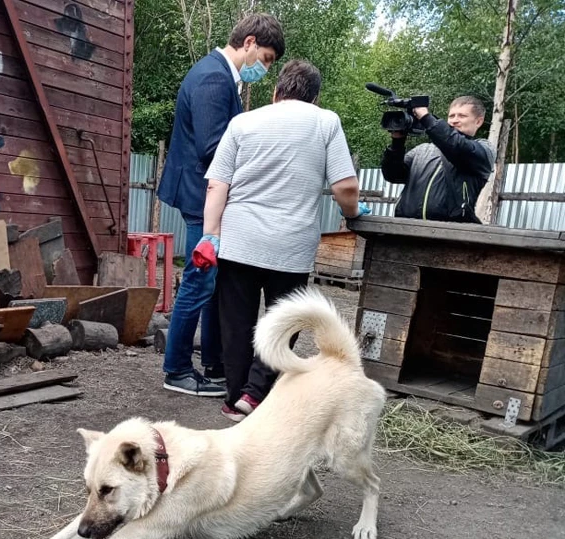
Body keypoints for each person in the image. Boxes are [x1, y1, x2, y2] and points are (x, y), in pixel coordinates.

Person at [195, 59, 364, 421]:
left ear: (276, 92)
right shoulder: (325, 122)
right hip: (291, 245)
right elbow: (345, 185)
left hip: (239, 241)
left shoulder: (242, 122)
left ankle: (235, 396)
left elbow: (216, 185)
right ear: (315, 98)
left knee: (236, 322)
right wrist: (352, 214)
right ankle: (255, 395)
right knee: (283, 320)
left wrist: (211, 236)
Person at [157, 13, 285, 397]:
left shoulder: (219, 74)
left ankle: (214, 363)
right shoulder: (214, 77)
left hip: (203, 192)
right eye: (264, 58)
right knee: (198, 282)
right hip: (201, 195)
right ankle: (177, 368)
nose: (263, 68)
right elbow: (213, 148)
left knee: (211, 283)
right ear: (248, 43)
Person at [381, 96, 495, 223]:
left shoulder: (484, 150)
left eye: (462, 116)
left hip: (450, 233)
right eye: (451, 116)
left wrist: (425, 117)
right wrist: (397, 140)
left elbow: (457, 146)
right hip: (407, 228)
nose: (454, 120)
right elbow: (393, 175)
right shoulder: (422, 150)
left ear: (478, 121)